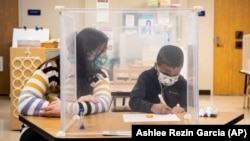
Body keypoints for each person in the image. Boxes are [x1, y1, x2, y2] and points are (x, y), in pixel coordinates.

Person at [18, 27, 111, 141]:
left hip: (78, 129)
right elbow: (24, 102)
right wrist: (71, 107)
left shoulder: (98, 74)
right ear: (88, 52)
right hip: (41, 130)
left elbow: (103, 102)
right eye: (103, 50)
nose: (106, 55)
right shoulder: (51, 69)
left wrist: (67, 108)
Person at [129, 45, 187, 114]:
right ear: (156, 65)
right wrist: (152, 107)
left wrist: (182, 109)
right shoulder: (146, 77)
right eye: (166, 74)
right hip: (147, 119)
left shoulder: (182, 82)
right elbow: (133, 102)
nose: (170, 79)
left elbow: (190, 106)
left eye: (175, 75)